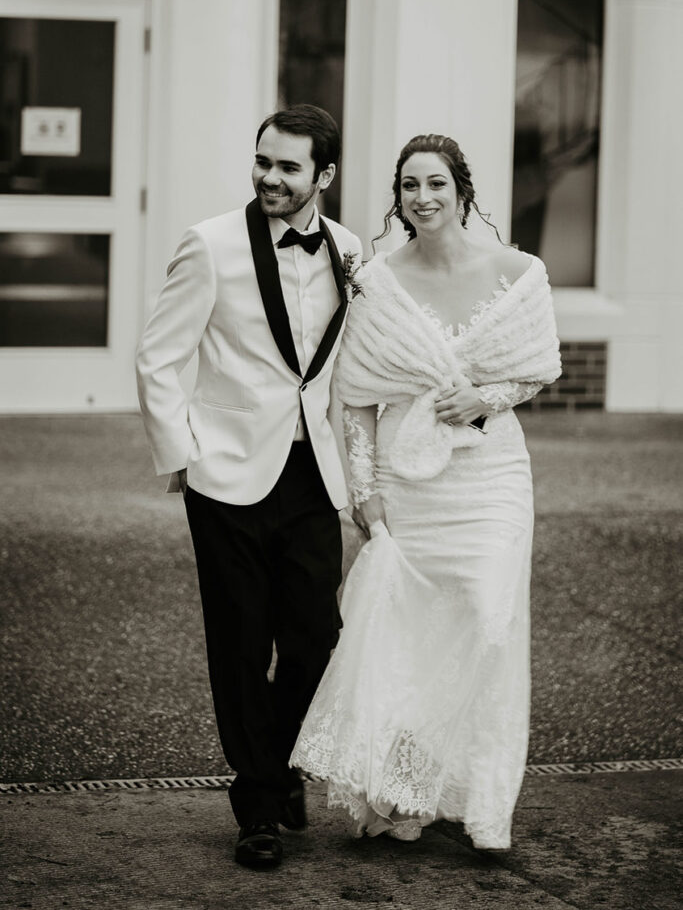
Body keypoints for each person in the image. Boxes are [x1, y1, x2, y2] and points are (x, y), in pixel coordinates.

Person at [291, 133, 561, 850]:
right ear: (397, 197)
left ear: (462, 190)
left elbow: (537, 370)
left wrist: (485, 395)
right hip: (406, 486)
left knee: (488, 620)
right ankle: (404, 786)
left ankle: (479, 795)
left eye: (435, 183)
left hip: (491, 476)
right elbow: (349, 398)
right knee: (408, 637)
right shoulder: (376, 280)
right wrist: (363, 490)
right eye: (408, 185)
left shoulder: (519, 272)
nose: (422, 198)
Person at [136, 105, 363, 869]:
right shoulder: (210, 244)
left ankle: (281, 756)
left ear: (323, 176)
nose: (269, 176)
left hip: (309, 473)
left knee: (315, 639)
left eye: (288, 166)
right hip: (225, 472)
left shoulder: (349, 251)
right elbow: (159, 356)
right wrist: (183, 456)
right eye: (262, 161)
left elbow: (339, 374)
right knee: (239, 643)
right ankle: (258, 803)